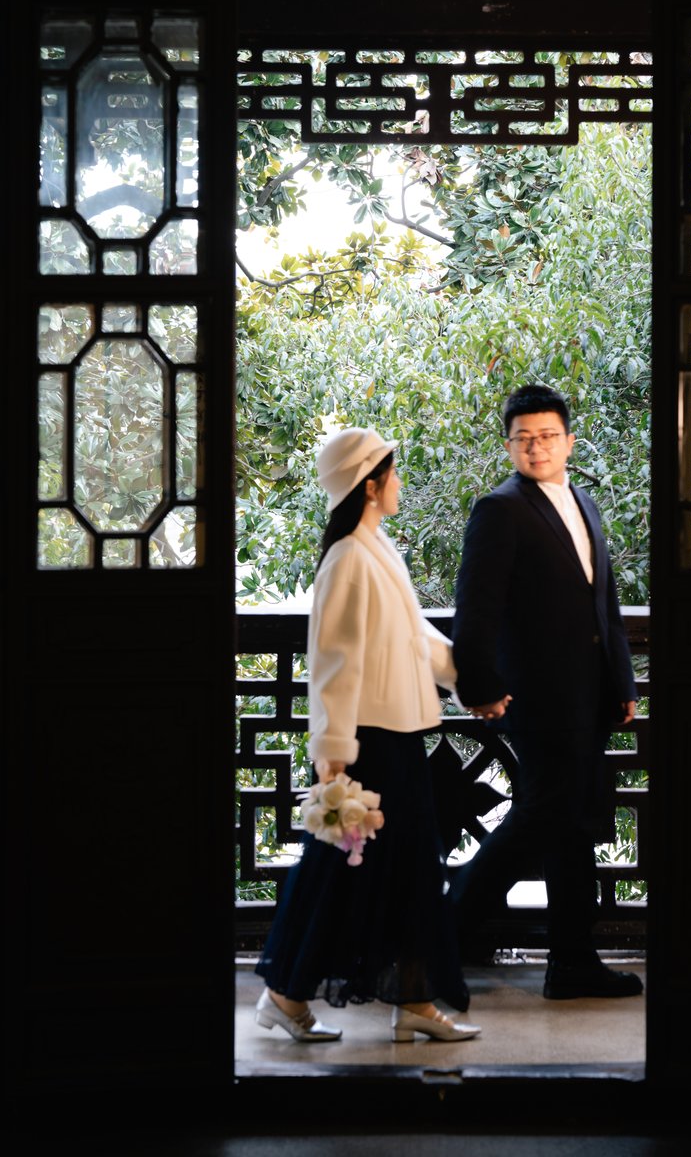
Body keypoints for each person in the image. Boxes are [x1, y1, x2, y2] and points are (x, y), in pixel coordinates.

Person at [255, 427, 480, 1044]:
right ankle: (291, 994)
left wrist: (468, 681)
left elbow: (416, 636)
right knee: (349, 870)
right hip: (370, 743)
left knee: (397, 870)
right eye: (393, 473)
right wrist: (332, 754)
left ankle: (404, 999)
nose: (399, 483)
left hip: (396, 734)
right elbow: (333, 661)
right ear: (371, 485)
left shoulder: (375, 547)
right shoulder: (349, 558)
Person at [449, 384, 644, 1000]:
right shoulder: (499, 509)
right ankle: (432, 942)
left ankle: (573, 963)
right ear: (509, 445)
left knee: (572, 826)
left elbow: (604, 602)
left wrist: (622, 682)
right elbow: (475, 609)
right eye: (524, 438)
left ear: (569, 441)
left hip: (589, 697)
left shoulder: (583, 501)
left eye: (548, 436)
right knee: (539, 818)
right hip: (535, 699)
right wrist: (479, 686)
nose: (537, 448)